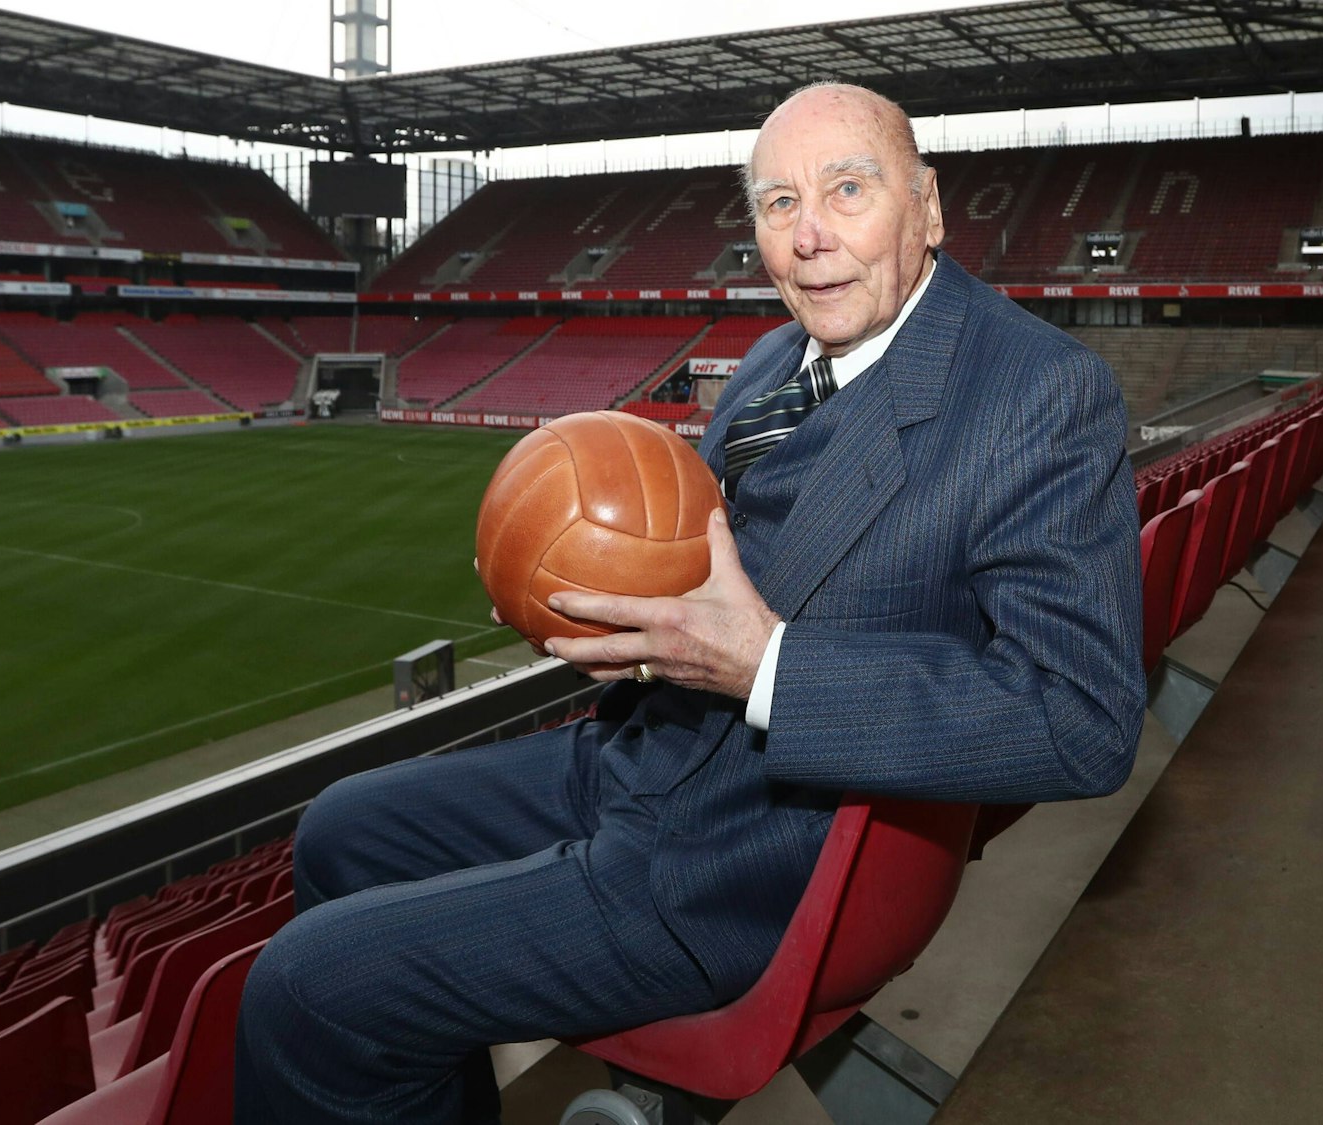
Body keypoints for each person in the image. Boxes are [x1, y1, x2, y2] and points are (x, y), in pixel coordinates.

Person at [234, 82, 1144, 1124]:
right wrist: (586, 602)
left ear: (928, 207)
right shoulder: (770, 361)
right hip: (646, 754)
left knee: (308, 989)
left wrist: (765, 666)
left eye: (847, 190)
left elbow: (1081, 718)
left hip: (744, 851)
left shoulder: (1037, 394)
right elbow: (690, 570)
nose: (808, 237)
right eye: (774, 203)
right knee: (339, 830)